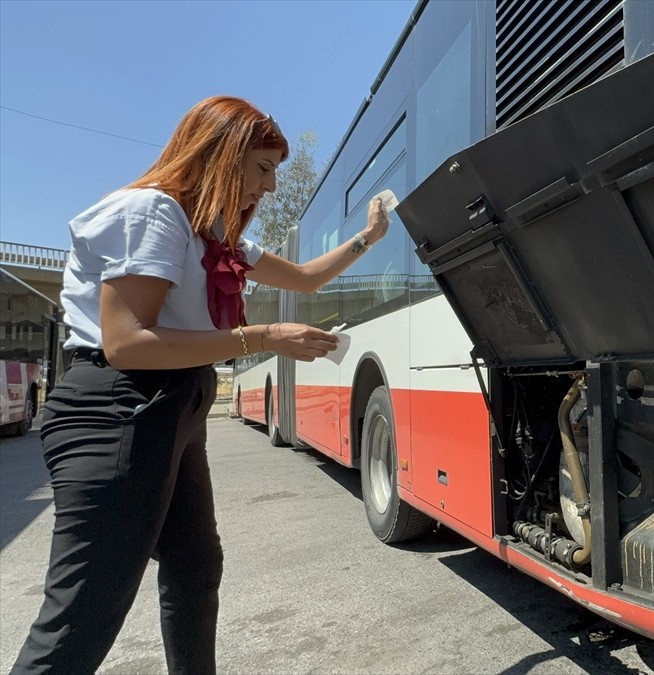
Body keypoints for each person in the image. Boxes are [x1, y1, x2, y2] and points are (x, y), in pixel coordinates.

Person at [11, 95, 390, 675]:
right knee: (84, 614)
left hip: (170, 406)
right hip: (120, 405)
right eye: (261, 169)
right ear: (221, 154)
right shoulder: (153, 213)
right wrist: (261, 335)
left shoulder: (212, 234)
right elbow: (127, 342)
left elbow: (307, 278)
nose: (266, 187)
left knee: (195, 567)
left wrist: (370, 235)